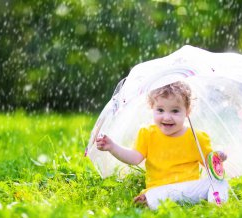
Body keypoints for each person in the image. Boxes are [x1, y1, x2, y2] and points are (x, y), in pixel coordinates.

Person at [96, 81, 228, 210]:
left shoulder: (196, 137)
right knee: (156, 195)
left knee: (219, 182)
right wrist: (112, 147)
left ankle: (217, 205)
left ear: (187, 111)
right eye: (160, 110)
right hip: (161, 191)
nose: (167, 117)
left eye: (175, 111)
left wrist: (218, 156)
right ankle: (149, 200)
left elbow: (211, 166)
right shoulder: (148, 134)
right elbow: (134, 158)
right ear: (152, 107)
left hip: (190, 190)